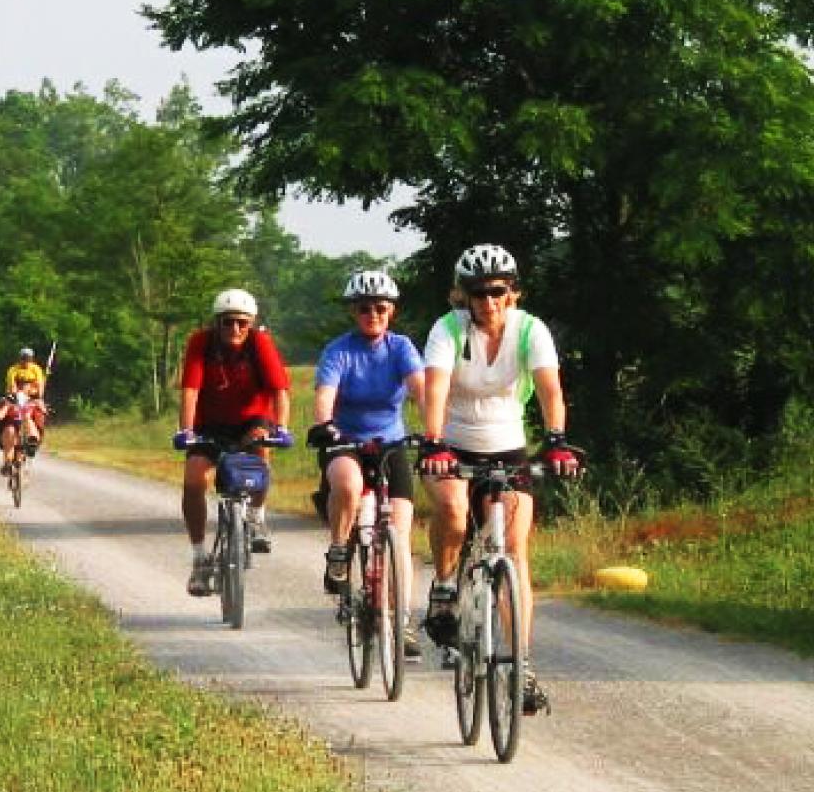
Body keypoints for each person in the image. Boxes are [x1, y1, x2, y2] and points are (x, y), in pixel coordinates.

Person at [418, 244, 581, 715]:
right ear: (462, 296)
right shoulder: (447, 329)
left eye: (497, 292)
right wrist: (433, 442)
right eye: (478, 293)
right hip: (453, 444)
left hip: (508, 445)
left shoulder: (531, 329)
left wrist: (556, 439)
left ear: (513, 294)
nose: (488, 302)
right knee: (451, 508)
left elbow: (550, 387)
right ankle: (445, 589)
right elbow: (436, 387)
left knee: (513, 550)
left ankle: (522, 665)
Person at [307, 271, 425, 659]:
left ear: (391, 311)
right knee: (348, 484)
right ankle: (339, 549)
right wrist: (325, 426)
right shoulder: (339, 351)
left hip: (390, 444)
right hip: (346, 441)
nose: (372, 314)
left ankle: (401, 620)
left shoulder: (401, 347)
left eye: (380, 308)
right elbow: (326, 395)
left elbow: (421, 389)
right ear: (353, 312)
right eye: (364, 308)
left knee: (401, 538)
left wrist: (435, 431)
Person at [173, 289, 292, 595]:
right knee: (193, 479)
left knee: (261, 449)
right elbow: (190, 391)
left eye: (242, 323)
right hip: (209, 424)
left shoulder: (260, 343)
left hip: (251, 420)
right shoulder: (201, 343)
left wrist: (282, 428)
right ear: (217, 323)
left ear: (251, 323)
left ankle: (255, 516)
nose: (235, 329)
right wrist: (186, 431)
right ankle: (200, 559)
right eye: (227, 322)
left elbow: (279, 391)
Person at [0, 379, 49, 475]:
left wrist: (40, 406)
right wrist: (7, 405)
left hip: (26, 431)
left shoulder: (34, 401)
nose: (21, 389)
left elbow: (44, 412)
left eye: (25, 385)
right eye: (19, 386)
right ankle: (8, 463)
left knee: (27, 419)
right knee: (10, 431)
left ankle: (32, 442)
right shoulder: (6, 401)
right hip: (11, 431)